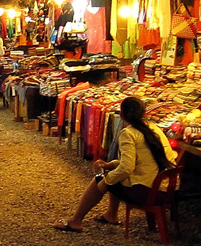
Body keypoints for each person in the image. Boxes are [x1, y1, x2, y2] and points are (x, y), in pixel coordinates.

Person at [53, 96, 177, 232]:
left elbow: (126, 167)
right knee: (114, 174)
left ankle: (75, 221)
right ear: (144, 114)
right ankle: (111, 214)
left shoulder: (128, 133)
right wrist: (109, 165)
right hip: (166, 190)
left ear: (122, 116)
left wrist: (106, 181)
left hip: (148, 192)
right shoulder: (155, 129)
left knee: (102, 178)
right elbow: (136, 161)